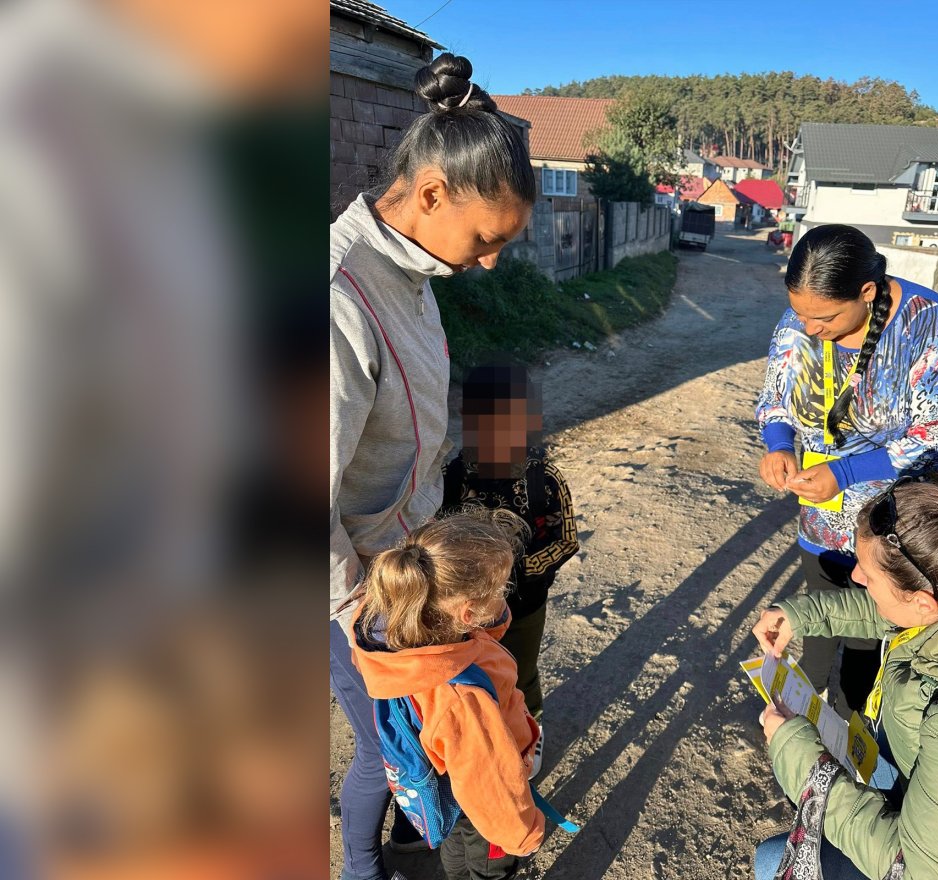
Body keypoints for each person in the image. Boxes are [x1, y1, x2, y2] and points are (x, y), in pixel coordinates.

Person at [329, 52, 535, 880]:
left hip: (404, 567)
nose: (488, 262)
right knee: (389, 745)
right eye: (486, 240)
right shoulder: (340, 296)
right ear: (430, 195)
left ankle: (415, 841)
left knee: (421, 736)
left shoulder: (410, 272)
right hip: (354, 587)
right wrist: (355, 612)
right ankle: (358, 868)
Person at [755, 224, 938, 713]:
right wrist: (778, 442)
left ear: (867, 292)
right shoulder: (804, 320)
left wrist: (849, 472)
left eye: (825, 317)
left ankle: (855, 738)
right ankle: (797, 724)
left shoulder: (927, 323)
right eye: (799, 313)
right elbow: (776, 397)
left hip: (894, 526)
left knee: (868, 642)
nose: (809, 329)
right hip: (823, 515)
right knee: (816, 623)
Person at [750, 475, 938, 880]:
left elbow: (912, 871)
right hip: (910, 770)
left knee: (772, 861)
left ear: (922, 600)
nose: (857, 578)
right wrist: (802, 616)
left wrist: (796, 751)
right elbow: (889, 613)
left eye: (868, 575)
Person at [350, 509, 545, 880]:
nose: (505, 594)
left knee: (456, 846)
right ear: (468, 613)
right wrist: (523, 833)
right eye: (501, 588)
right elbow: (491, 787)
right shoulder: (462, 701)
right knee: (489, 866)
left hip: (448, 785)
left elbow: (480, 639)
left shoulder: (403, 633)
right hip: (482, 805)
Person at [441, 362, 579, 736]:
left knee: (521, 670)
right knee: (470, 674)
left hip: (525, 605)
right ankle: (482, 737)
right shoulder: (450, 477)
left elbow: (566, 539)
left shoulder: (543, 478)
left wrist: (519, 571)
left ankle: (528, 732)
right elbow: (435, 537)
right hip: (466, 612)